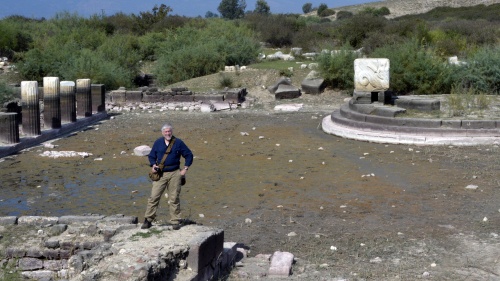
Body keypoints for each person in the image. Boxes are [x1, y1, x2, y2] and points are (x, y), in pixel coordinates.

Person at [141, 123, 193, 229]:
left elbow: (189, 155)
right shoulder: (158, 142)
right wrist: (153, 165)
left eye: (169, 131)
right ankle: (148, 220)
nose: (168, 133)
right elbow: (151, 156)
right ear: (162, 132)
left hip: (175, 173)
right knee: (154, 197)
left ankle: (175, 221)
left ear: (172, 132)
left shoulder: (178, 143)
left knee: (174, 198)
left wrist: (185, 169)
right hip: (160, 174)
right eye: (166, 131)